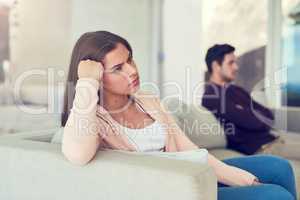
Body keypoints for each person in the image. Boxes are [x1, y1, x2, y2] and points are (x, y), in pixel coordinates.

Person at [61, 31, 296, 200]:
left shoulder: (146, 98)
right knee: (274, 195)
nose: (132, 70)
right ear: (98, 76)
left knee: (278, 167)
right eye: (118, 68)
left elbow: (188, 149)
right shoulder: (94, 119)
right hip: (170, 189)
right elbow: (77, 155)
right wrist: (87, 82)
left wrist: (244, 180)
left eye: (130, 59)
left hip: (187, 172)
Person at [202, 44, 300, 161]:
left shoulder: (236, 90)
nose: (236, 67)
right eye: (231, 63)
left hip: (274, 139)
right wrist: (254, 115)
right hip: (262, 148)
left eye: (235, 62)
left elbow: (268, 114)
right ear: (216, 65)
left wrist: (250, 113)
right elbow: (251, 122)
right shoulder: (212, 96)